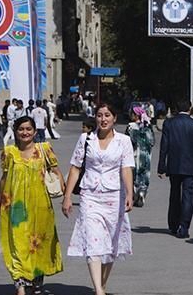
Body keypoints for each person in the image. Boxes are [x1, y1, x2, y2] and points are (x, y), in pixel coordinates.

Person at [62, 103, 134, 295]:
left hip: (113, 197)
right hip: (90, 195)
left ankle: (100, 285)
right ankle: (99, 291)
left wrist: (129, 193)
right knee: (93, 242)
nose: (103, 119)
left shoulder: (124, 141)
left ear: (114, 118)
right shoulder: (86, 139)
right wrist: (67, 196)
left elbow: (126, 168)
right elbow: (75, 168)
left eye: (107, 115)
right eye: (100, 115)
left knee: (111, 244)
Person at [0, 116, 64, 295]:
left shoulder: (44, 149)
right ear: (16, 131)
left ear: (34, 131)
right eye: (21, 129)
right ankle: (21, 285)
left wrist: (66, 197)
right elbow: (4, 178)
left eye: (28, 129)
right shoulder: (9, 152)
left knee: (38, 246)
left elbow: (56, 171)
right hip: (15, 208)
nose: (25, 132)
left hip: (40, 207)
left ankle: (35, 283)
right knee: (18, 244)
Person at [157, 99, 193, 239]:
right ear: (190, 108)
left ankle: (173, 225)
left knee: (174, 195)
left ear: (175, 108)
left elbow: (164, 146)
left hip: (174, 165)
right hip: (191, 166)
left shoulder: (169, 123)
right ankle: (184, 227)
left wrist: (162, 166)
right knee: (188, 197)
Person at [125, 106, 155, 207]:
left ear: (136, 115)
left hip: (133, 155)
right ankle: (142, 192)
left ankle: (135, 194)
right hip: (146, 155)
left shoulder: (131, 126)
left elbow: (126, 141)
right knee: (144, 174)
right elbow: (152, 141)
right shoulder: (148, 126)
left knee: (134, 175)